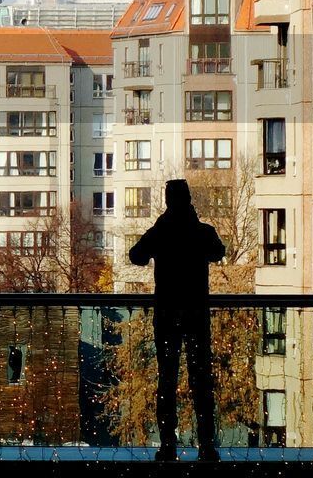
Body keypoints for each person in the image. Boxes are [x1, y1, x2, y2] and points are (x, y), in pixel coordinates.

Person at [128, 179, 225, 462]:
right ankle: (206, 444)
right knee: (201, 381)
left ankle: (168, 444)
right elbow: (218, 252)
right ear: (189, 199)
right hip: (196, 313)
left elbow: (136, 257)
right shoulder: (202, 232)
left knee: (167, 379)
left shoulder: (160, 233)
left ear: (168, 201)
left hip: (167, 313)